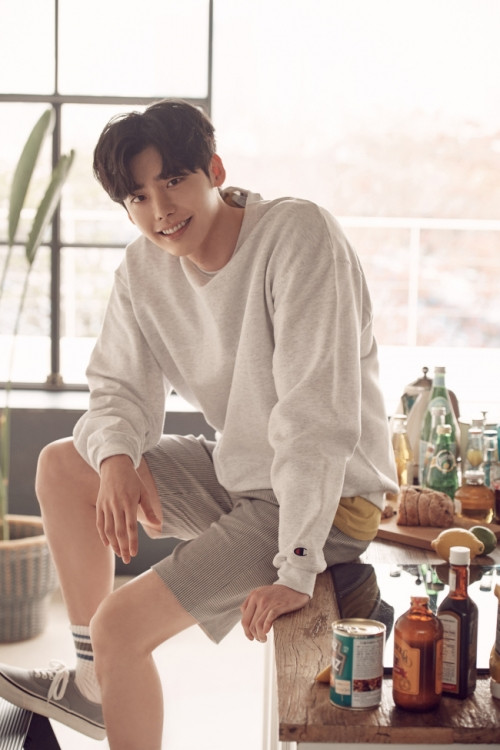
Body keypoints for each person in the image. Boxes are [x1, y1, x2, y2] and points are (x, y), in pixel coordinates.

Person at [0, 99, 398, 749]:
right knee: (64, 465)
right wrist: (116, 458)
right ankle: (96, 684)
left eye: (174, 181)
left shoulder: (298, 235)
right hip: (242, 474)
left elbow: (315, 418)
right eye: (138, 197)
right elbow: (116, 389)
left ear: (214, 170)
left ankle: (107, 663)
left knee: (120, 626)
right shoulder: (144, 269)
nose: (159, 210)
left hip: (329, 502)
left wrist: (297, 568)